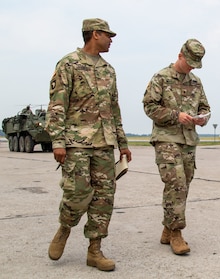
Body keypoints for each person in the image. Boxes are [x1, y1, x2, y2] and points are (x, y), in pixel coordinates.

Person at [45, 18, 132, 272]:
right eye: (108, 35)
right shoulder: (68, 63)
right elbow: (57, 104)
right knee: (77, 193)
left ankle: (95, 250)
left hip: (105, 144)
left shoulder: (109, 70)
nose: (111, 39)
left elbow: (114, 109)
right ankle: (65, 227)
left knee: (104, 198)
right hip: (76, 143)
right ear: (95, 34)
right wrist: (58, 142)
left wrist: (122, 144)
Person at [143, 38, 210, 255]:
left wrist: (202, 118)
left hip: (189, 140)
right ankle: (176, 233)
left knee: (184, 185)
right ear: (180, 55)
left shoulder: (196, 82)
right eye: (189, 61)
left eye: (195, 64)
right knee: (177, 183)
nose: (191, 67)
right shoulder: (161, 78)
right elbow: (149, 106)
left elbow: (205, 107)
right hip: (166, 138)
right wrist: (174, 115)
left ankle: (167, 226)